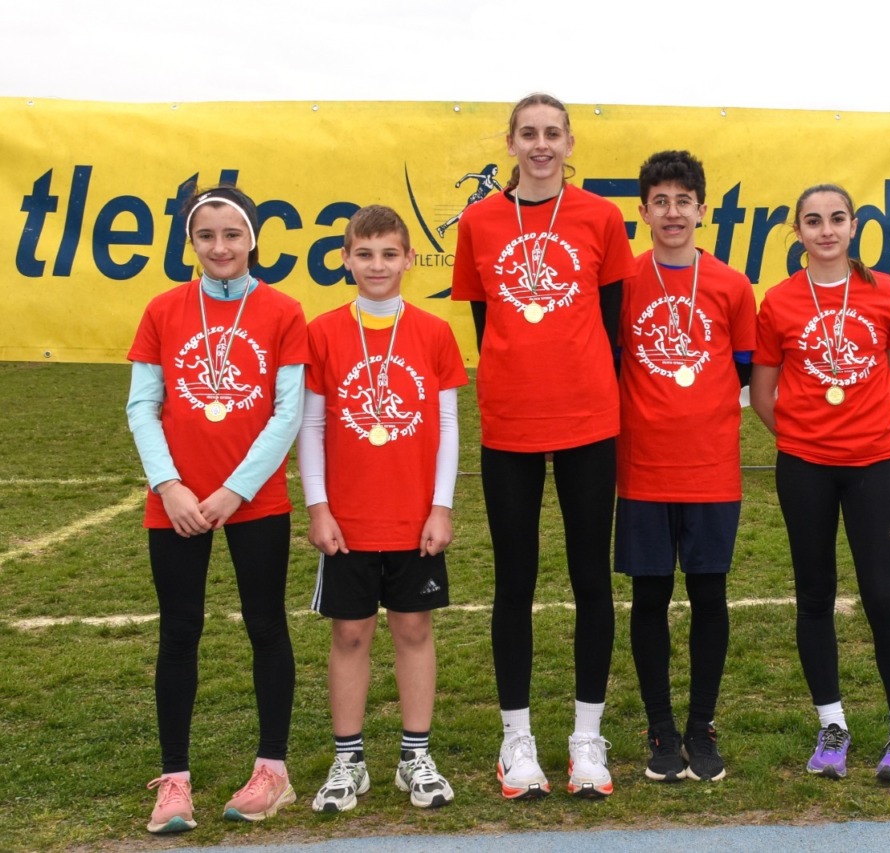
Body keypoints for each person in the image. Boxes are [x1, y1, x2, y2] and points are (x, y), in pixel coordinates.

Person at [450, 93, 635, 799]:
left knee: (592, 578)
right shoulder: (480, 221)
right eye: (528, 133)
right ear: (510, 141)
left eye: (552, 133)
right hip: (511, 426)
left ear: (569, 140)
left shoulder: (600, 217)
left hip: (589, 421)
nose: (540, 144)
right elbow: (484, 319)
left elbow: (612, 324)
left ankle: (587, 738)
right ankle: (516, 737)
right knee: (514, 580)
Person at [126, 184, 307, 833]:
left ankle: (272, 771)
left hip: (254, 500)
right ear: (191, 243)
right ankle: (174, 780)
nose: (221, 246)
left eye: (232, 234)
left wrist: (235, 489)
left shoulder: (283, 310)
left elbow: (289, 412)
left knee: (266, 625)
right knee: (179, 630)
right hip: (174, 502)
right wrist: (169, 484)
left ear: (252, 238)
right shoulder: (163, 309)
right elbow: (141, 404)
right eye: (207, 236)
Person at [750, 184, 890, 783]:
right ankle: (833, 725)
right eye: (813, 221)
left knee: (882, 593)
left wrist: (866, 429)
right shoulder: (777, 301)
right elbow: (764, 393)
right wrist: (805, 436)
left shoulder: (882, 292)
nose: (826, 230)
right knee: (815, 593)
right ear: (797, 231)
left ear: (854, 227)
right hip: (804, 466)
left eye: (837, 219)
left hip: (873, 464)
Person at [297, 205, 468, 812]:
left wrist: (440, 507)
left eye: (389, 253)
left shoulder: (433, 331)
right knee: (349, 633)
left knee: (414, 628)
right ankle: (349, 762)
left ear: (408, 259)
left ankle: (415, 757)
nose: (377, 265)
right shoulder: (321, 332)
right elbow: (310, 426)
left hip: (412, 516)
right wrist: (318, 507)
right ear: (344, 259)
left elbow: (447, 425)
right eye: (364, 254)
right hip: (348, 518)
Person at [616, 151, 756, 783]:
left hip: (710, 469)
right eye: (660, 201)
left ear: (703, 209)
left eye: (684, 201)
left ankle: (702, 726)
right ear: (642, 211)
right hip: (642, 469)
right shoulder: (623, 280)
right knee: (649, 596)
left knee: (708, 595)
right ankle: (661, 730)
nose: (672, 212)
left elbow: (746, 370)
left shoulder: (730, 285)